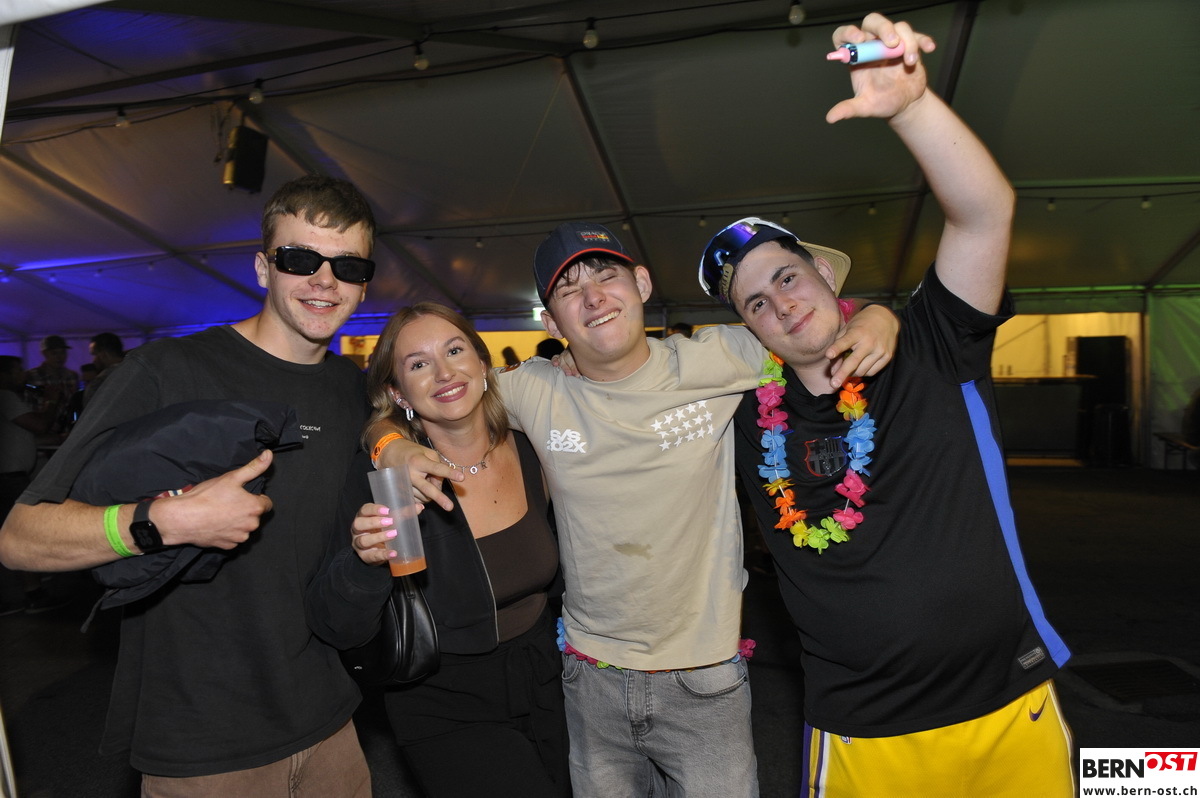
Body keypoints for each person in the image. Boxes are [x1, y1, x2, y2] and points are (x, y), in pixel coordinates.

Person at [371, 227, 897, 795]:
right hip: (588, 677)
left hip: (705, 676)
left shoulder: (724, 355)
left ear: (642, 284)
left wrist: (877, 315)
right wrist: (388, 444)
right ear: (552, 324)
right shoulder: (532, 388)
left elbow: (811, 317)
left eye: (607, 276)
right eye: (570, 291)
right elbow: (424, 395)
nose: (594, 297)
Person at [700, 13, 1074, 797]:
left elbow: (985, 213)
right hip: (864, 735)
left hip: (1008, 705)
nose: (781, 303)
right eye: (757, 302)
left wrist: (913, 108)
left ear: (826, 278)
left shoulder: (933, 342)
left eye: (788, 277)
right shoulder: (739, 414)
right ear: (750, 330)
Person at [0, 175, 378, 795]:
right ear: (263, 267)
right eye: (299, 259)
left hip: (330, 718)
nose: (324, 281)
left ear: (364, 284)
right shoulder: (167, 371)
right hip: (205, 743)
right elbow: (21, 538)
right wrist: (165, 522)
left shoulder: (352, 392)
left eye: (348, 266)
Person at [307, 302, 570, 798]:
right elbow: (336, 623)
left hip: (547, 680)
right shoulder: (382, 478)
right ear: (396, 392)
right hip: (445, 699)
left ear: (482, 363)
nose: (444, 373)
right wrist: (365, 563)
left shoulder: (532, 448)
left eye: (454, 351)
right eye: (418, 363)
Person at [0, 356, 60, 615]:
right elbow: (38, 424)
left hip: (8, 476)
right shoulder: (5, 396)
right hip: (9, 478)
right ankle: (34, 594)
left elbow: (20, 435)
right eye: (18, 370)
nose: (23, 375)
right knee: (22, 534)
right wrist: (52, 401)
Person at [24, 334, 78, 435]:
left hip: (65, 432)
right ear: (44, 354)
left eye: (62, 352)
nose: (60, 357)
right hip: (40, 431)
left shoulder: (71, 376)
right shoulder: (31, 376)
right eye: (54, 353)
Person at [82, 331, 124, 408]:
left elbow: (92, 411)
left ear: (103, 353)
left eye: (94, 354)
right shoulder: (137, 371)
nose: (93, 360)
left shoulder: (100, 382)